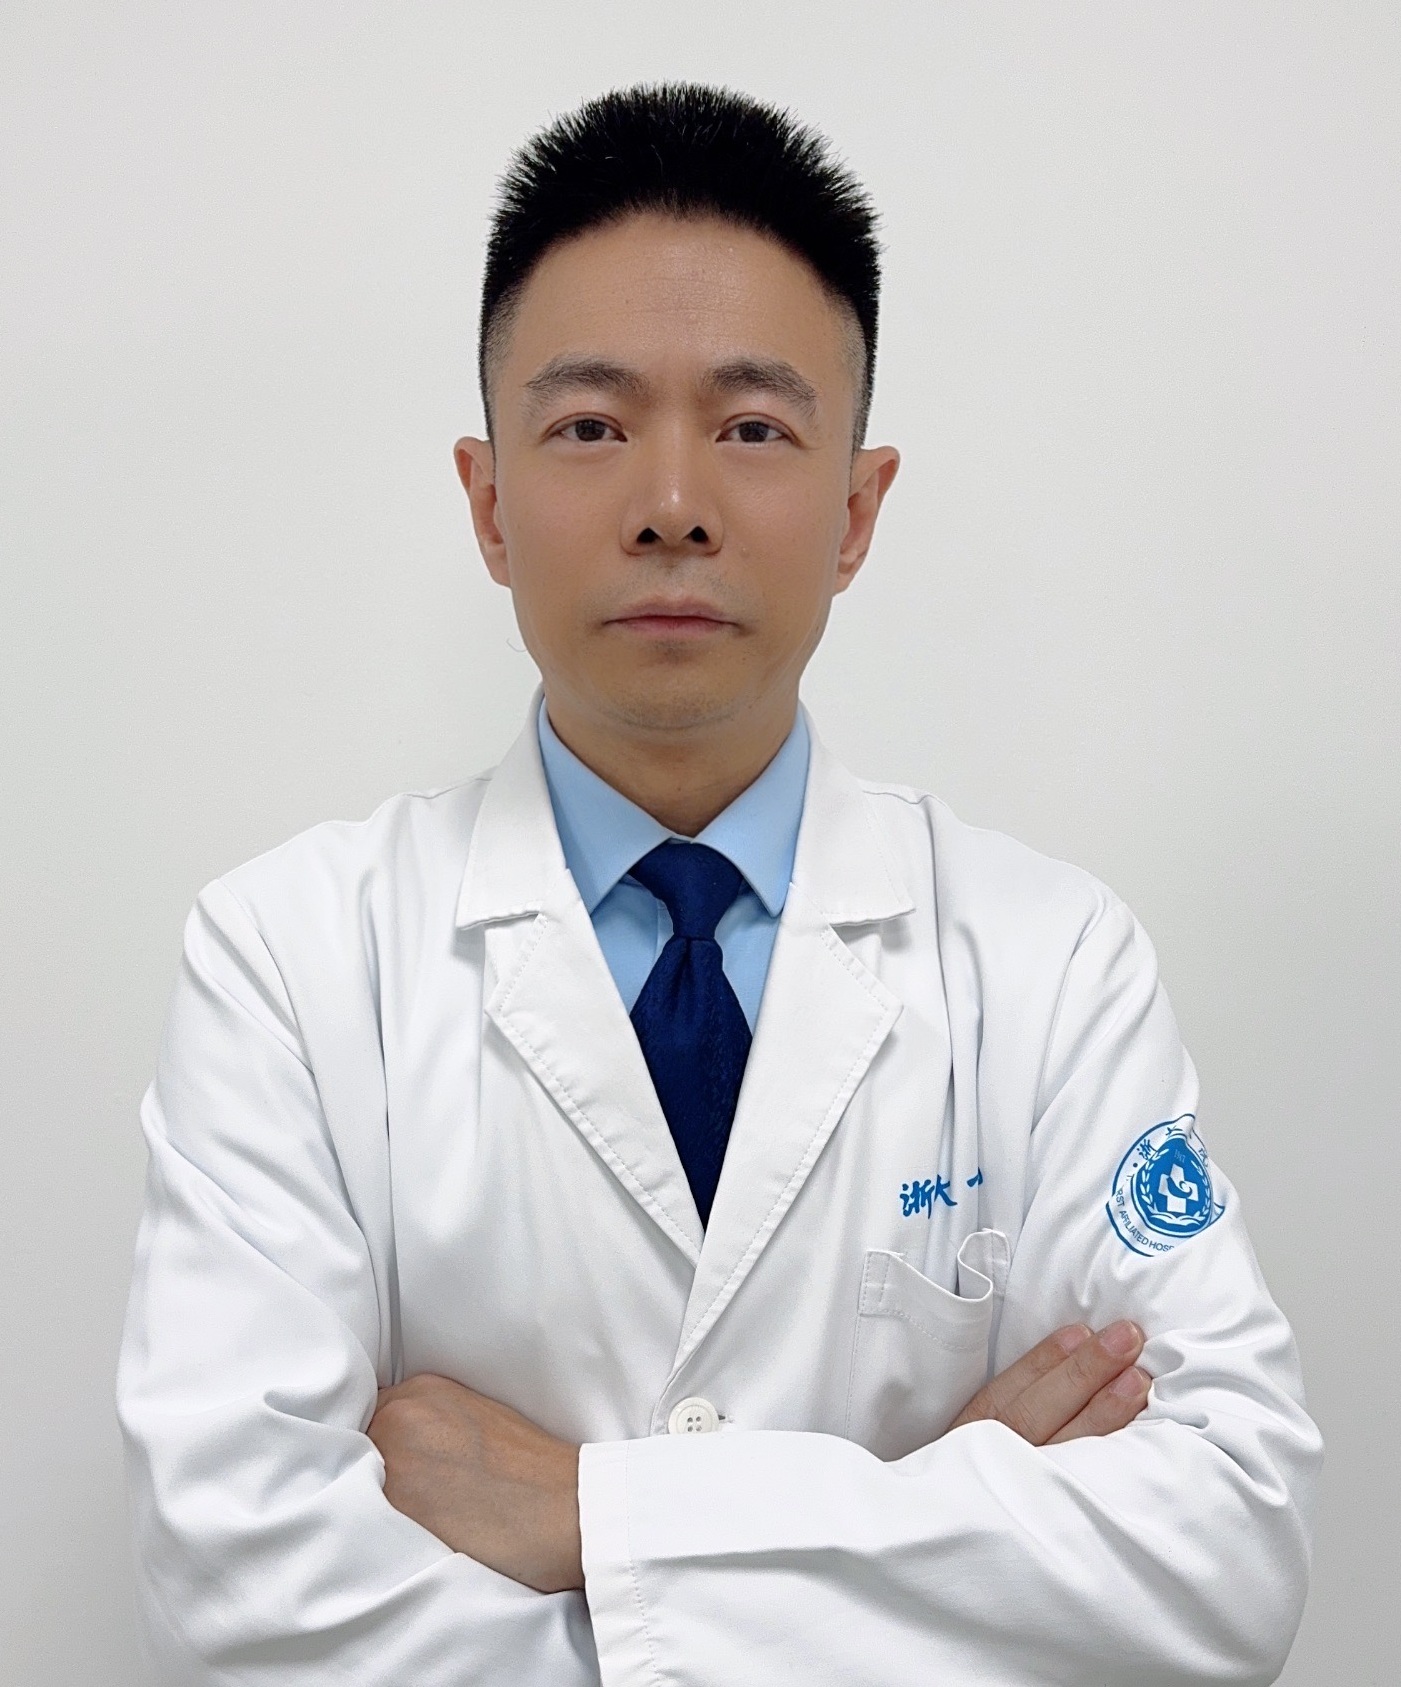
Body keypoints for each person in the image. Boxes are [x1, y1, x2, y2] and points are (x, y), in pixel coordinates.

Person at [117, 83, 1320, 1685]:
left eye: (752, 429)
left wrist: (586, 1513)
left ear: (856, 511)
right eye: (590, 428)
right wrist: (920, 1516)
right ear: (487, 503)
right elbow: (243, 1594)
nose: (671, 504)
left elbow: (1226, 1552)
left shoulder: (1049, 961)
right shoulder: (287, 960)